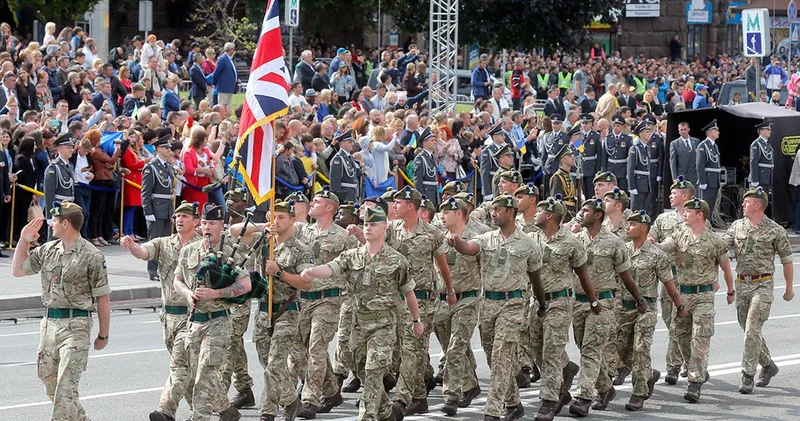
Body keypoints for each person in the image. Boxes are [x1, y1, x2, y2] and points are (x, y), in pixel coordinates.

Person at [300, 206, 424, 421]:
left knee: (374, 370)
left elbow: (409, 293)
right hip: (358, 326)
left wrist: (416, 321)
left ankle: (365, 416)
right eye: (366, 224)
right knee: (362, 371)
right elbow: (331, 268)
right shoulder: (351, 256)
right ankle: (386, 412)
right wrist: (312, 271)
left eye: (373, 224)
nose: (368, 228)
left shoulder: (396, 260)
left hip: (383, 325)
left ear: (384, 228)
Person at [448, 193, 545, 421]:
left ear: (510, 212)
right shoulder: (486, 238)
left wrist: (542, 303)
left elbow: (536, 278)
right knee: (495, 358)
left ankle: (492, 411)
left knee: (502, 356)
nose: (493, 214)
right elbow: (469, 248)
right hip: (488, 304)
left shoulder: (529, 244)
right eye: (491, 210)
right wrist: (457, 241)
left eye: (497, 210)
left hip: (513, 305)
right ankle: (513, 403)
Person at [11, 202, 111, 421]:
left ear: (65, 223)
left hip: (76, 327)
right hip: (49, 326)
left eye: (54, 220)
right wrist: (23, 240)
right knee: (51, 384)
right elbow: (18, 270)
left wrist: (104, 334)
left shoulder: (92, 256)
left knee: (65, 389)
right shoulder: (48, 250)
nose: (51, 224)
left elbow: (103, 298)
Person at [120, 201, 201, 421]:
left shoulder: (203, 246)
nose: (179, 220)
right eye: (177, 217)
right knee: (187, 371)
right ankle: (220, 409)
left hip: (191, 316)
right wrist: (131, 245)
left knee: (179, 365)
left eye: (185, 216)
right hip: (168, 316)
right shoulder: (164, 243)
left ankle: (165, 411)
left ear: (196, 221)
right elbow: (144, 251)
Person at [172, 203, 251, 421]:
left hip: (218, 322)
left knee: (205, 375)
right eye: (205, 222)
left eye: (212, 223)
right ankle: (227, 411)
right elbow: (177, 279)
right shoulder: (190, 249)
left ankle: (200, 417)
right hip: (193, 322)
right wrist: (187, 293)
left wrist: (216, 293)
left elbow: (245, 284)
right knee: (195, 375)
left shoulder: (229, 251)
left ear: (222, 226)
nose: (207, 227)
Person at [568, 198, 646, 417]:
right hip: (578, 302)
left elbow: (625, 276)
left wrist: (639, 299)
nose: (581, 213)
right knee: (585, 349)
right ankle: (605, 388)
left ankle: (583, 397)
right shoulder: (574, 241)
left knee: (591, 349)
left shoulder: (614, 243)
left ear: (598, 215)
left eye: (586, 210)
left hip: (602, 304)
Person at [384, 187, 454, 416]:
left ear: (411, 205)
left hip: (422, 298)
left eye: (398, 202)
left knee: (412, 350)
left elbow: (442, 264)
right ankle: (420, 396)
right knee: (406, 351)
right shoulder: (390, 229)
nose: (394, 205)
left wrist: (450, 290)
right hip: (396, 298)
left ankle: (400, 400)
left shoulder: (431, 233)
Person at [656, 198, 734, 403]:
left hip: (704, 297)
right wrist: (654, 244)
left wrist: (731, 291)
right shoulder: (680, 234)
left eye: (689, 211)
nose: (685, 214)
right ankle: (696, 367)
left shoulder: (715, 241)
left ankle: (695, 382)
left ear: (700, 215)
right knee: (682, 337)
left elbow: (726, 268)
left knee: (700, 338)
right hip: (681, 295)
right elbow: (666, 246)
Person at [722, 187, 794, 394]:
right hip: (742, 284)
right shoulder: (736, 227)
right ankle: (769, 365)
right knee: (747, 328)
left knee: (752, 329)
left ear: (758, 205)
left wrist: (789, 288)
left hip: (763, 285)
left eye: (746, 202)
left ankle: (747, 375)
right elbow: (721, 248)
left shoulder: (775, 230)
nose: (743, 205)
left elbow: (787, 261)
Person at [294, 188, 358, 417]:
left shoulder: (343, 236)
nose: (312, 203)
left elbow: (356, 265)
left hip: (329, 299)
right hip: (303, 300)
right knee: (298, 352)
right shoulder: (303, 232)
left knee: (317, 348)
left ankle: (309, 399)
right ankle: (331, 391)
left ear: (329, 207)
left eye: (317, 201)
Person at [528, 195, 589, 421]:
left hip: (560, 302)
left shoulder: (570, 242)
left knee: (551, 349)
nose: (535, 214)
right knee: (535, 348)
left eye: (540, 210)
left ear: (550, 215)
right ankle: (567, 368)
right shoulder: (531, 238)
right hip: (536, 302)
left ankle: (550, 401)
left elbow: (583, 274)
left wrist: (592, 300)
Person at [620, 210, 685, 411]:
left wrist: (679, 306)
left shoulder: (658, 256)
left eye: (632, 224)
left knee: (641, 348)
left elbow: (669, 284)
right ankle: (648, 374)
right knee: (620, 350)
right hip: (622, 307)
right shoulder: (622, 250)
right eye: (627, 223)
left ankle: (639, 393)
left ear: (644, 228)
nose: (627, 227)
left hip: (645, 309)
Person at [435, 198, 482, 416]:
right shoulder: (437, 235)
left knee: (455, 348)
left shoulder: (478, 235)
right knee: (449, 347)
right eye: (441, 211)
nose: (442, 215)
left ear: (460, 214)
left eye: (447, 212)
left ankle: (451, 397)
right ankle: (471, 385)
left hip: (468, 299)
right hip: (443, 299)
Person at [141, 132, 176, 282]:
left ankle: (164, 268)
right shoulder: (151, 167)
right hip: (156, 208)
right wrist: (147, 211)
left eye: (169, 148)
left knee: (166, 241)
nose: (169, 150)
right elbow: (146, 192)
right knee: (154, 241)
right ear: (158, 149)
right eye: (165, 148)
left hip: (167, 209)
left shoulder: (168, 167)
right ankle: (153, 270)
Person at [43, 133, 78, 238]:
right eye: (68, 148)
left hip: (68, 207)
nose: (71, 150)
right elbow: (49, 193)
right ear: (60, 149)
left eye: (72, 147)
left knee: (66, 239)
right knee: (54, 239)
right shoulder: (53, 167)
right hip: (58, 207)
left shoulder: (69, 166)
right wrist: (50, 216)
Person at [696, 119, 722, 221]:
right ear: (710, 132)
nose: (718, 132)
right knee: (704, 205)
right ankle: (702, 225)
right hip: (707, 179)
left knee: (711, 205)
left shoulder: (715, 146)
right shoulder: (703, 146)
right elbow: (699, 165)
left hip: (714, 180)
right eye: (716, 130)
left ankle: (708, 224)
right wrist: (702, 181)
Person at [329, 130, 361, 203]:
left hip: (352, 194)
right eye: (349, 142)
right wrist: (338, 198)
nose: (352, 144)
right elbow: (335, 182)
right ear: (343, 144)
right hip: (344, 196)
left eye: (352, 142)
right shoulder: (338, 158)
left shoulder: (350, 157)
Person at [601, 115, 631, 191]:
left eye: (618, 126)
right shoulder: (608, 139)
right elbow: (604, 157)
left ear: (622, 127)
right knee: (610, 190)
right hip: (611, 168)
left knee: (621, 190)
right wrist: (604, 171)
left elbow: (629, 156)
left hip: (622, 169)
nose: (616, 128)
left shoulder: (627, 139)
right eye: (614, 125)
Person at [549, 144, 578, 220]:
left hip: (572, 213)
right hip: (564, 215)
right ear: (562, 159)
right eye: (569, 156)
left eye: (572, 155)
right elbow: (556, 201)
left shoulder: (569, 176)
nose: (573, 157)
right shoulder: (557, 177)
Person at [628, 122, 652, 211]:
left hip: (646, 183)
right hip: (638, 184)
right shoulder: (635, 148)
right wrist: (632, 187)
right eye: (646, 132)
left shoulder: (647, 147)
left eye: (649, 131)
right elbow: (630, 169)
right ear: (640, 134)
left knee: (645, 211)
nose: (649, 134)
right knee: (636, 210)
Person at [480, 122, 506, 201]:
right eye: (501, 135)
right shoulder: (488, 151)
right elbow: (485, 172)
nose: (504, 137)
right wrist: (487, 192)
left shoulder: (504, 149)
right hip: (493, 184)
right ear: (494, 137)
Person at [413, 128, 439, 207]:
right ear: (425, 143)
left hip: (433, 193)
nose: (435, 142)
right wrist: (421, 197)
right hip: (426, 193)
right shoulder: (420, 158)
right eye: (432, 140)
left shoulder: (432, 157)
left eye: (434, 140)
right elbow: (418, 180)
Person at [579, 114, 601, 201]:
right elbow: (578, 151)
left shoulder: (596, 136)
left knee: (591, 192)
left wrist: (597, 170)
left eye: (586, 123)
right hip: (580, 167)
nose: (584, 125)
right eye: (583, 123)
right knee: (580, 191)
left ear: (591, 124)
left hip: (591, 167)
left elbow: (599, 155)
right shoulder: (578, 136)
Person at [749, 121, 774, 195]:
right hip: (760, 178)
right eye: (767, 129)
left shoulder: (768, 144)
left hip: (767, 178)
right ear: (761, 131)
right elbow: (753, 163)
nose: (770, 131)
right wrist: (755, 180)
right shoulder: (757, 144)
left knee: (765, 201)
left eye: (770, 129)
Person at [212, 42, 239, 107]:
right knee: (222, 105)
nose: (234, 51)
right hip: (223, 87)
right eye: (233, 49)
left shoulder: (229, 59)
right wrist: (215, 83)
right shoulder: (223, 59)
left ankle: (226, 117)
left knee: (228, 106)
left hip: (229, 87)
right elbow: (216, 72)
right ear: (230, 49)